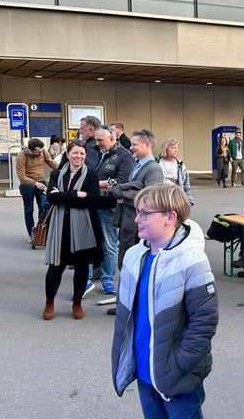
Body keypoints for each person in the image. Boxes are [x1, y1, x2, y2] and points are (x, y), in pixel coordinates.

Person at [111, 183, 218, 419]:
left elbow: (204, 321)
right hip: (144, 370)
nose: (137, 219)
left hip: (176, 375)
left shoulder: (191, 259)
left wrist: (177, 365)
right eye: (137, 211)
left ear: (170, 217)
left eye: (145, 213)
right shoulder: (134, 256)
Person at [42, 141, 103, 320]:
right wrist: (76, 194)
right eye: (75, 153)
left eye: (82, 154)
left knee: (82, 267)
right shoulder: (56, 174)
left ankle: (77, 303)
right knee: (56, 267)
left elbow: (92, 200)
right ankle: (49, 302)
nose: (79, 157)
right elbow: (50, 199)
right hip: (60, 228)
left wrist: (62, 196)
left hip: (84, 227)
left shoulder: (91, 175)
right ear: (67, 154)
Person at [108, 129, 164, 315]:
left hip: (139, 226)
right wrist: (124, 191)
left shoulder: (153, 169)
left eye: (134, 144)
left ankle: (132, 308)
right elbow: (131, 190)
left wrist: (123, 193)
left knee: (134, 267)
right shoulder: (139, 165)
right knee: (126, 264)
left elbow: (150, 198)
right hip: (128, 223)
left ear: (147, 145)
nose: (130, 147)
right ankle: (125, 304)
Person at [94, 125, 135, 296]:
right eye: (96, 140)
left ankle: (108, 281)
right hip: (91, 204)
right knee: (91, 242)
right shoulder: (94, 152)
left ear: (112, 139)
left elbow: (122, 182)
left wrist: (94, 184)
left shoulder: (124, 156)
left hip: (108, 206)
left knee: (110, 245)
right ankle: (88, 278)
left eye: (100, 140)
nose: (97, 143)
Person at [16, 138, 58, 243]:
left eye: (41, 151)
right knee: (29, 209)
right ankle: (31, 233)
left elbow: (51, 163)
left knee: (44, 207)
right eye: (38, 152)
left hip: (41, 182)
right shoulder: (21, 156)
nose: (40, 153)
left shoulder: (42, 151)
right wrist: (34, 183)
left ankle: (40, 231)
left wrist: (64, 170)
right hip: (27, 185)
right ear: (30, 150)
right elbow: (21, 175)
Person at [157, 137, 195, 205]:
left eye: (177, 148)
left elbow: (186, 184)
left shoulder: (180, 165)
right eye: (173, 148)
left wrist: (189, 200)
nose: (176, 150)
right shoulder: (157, 163)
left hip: (175, 198)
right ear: (166, 149)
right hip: (160, 198)